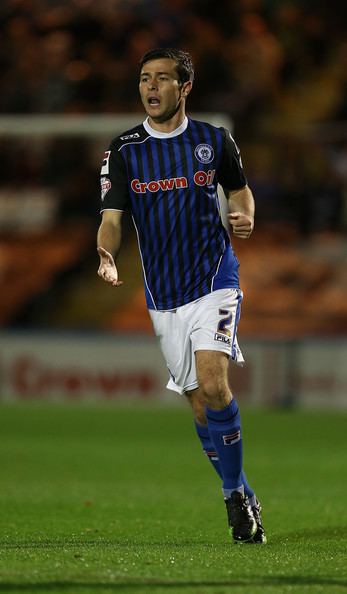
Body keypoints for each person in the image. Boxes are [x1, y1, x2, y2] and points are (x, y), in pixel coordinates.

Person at [96, 47, 266, 544]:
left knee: (215, 384)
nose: (151, 87)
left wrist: (246, 214)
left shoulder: (215, 140)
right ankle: (243, 490)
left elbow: (239, 191)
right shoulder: (124, 150)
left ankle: (232, 495)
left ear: (184, 87)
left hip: (214, 280)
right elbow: (110, 220)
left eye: (162, 79)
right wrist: (106, 255)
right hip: (163, 296)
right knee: (199, 408)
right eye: (145, 78)